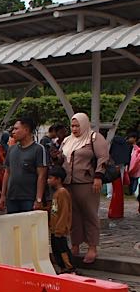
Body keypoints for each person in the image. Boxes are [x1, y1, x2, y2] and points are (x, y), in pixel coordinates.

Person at [61, 112, 109, 264]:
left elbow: (103, 157)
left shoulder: (93, 138)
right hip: (68, 183)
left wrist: (98, 176)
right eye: (72, 126)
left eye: (77, 125)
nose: (74, 129)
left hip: (87, 182)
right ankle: (75, 244)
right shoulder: (67, 140)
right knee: (73, 215)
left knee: (89, 214)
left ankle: (92, 247)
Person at [0, 117, 48, 214]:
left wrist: (38, 199)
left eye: (16, 129)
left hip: (29, 198)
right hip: (12, 198)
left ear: (26, 130)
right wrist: (3, 195)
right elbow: (7, 172)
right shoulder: (11, 149)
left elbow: (42, 175)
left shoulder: (38, 149)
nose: (13, 132)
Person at [47, 166, 76, 274]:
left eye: (51, 178)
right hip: (55, 229)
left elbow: (64, 212)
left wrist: (60, 227)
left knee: (63, 249)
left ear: (58, 179)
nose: (48, 180)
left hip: (59, 229)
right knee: (56, 250)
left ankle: (69, 267)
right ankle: (63, 267)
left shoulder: (62, 193)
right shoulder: (56, 193)